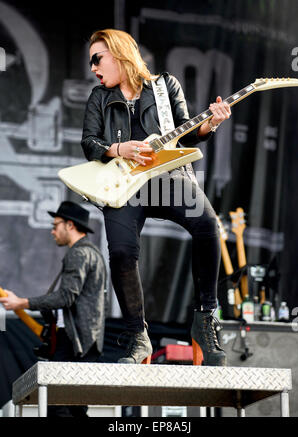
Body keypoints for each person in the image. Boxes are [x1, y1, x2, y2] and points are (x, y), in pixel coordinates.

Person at [81, 28, 231, 366]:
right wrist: (120, 148)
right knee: (120, 252)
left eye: (97, 59)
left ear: (119, 54)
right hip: (122, 182)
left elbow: (187, 131)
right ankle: (138, 337)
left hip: (167, 176)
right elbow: (90, 143)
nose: (93, 67)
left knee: (209, 226)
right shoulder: (98, 97)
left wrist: (210, 125)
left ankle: (205, 319)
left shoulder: (165, 86)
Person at [0, 201, 107, 417]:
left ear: (69, 225)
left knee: (59, 406)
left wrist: (22, 303)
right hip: (85, 342)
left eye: (55, 225)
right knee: (74, 407)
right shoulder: (91, 253)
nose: (52, 230)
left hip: (75, 343)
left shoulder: (78, 254)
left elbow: (66, 297)